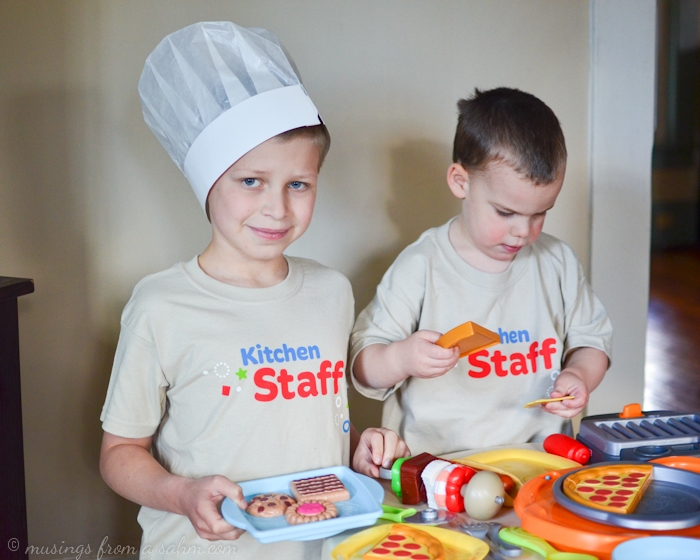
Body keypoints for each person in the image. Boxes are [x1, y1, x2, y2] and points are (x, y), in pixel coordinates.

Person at [99, 22, 407, 560]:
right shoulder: (160, 305)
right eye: (250, 181)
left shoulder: (331, 291)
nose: (277, 208)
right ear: (207, 183)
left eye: (298, 184)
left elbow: (307, 427)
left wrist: (359, 452)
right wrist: (182, 492)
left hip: (321, 545)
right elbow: (120, 452)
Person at [351, 87, 613, 455]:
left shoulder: (557, 263)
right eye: (506, 213)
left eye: (540, 213)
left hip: (540, 463)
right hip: (437, 471)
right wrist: (401, 358)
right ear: (461, 182)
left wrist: (579, 375)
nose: (524, 231)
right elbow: (363, 365)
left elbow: (592, 341)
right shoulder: (421, 266)